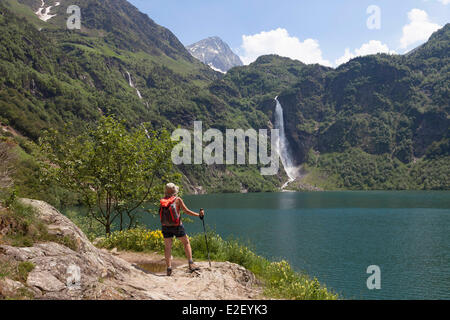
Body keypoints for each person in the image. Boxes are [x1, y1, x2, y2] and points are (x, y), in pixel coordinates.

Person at [159, 183, 204, 276]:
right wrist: (198, 215)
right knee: (186, 242)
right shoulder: (177, 200)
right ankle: (191, 263)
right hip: (177, 226)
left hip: (165, 226)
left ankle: (168, 268)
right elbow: (187, 211)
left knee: (167, 247)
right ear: (175, 191)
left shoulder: (163, 201)